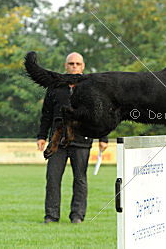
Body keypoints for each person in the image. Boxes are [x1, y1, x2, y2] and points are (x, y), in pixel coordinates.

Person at [36, 52, 108, 224]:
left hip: (82, 140)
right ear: (65, 66)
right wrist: (41, 136)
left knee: (80, 179)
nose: (74, 66)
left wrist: (103, 137)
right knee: (52, 179)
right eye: (71, 63)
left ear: (83, 67)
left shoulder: (93, 88)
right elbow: (46, 114)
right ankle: (51, 216)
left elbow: (101, 114)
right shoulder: (55, 87)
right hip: (57, 142)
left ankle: (77, 215)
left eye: (77, 64)